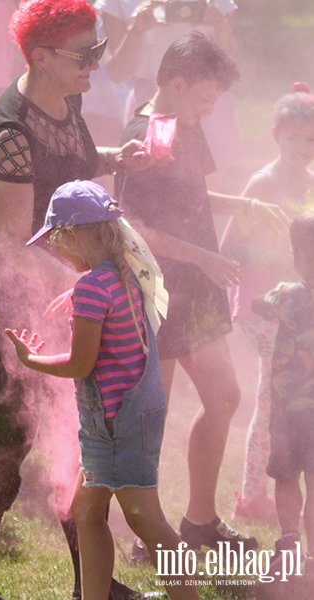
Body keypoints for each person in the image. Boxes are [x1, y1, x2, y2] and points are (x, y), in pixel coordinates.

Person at [0, 1, 155, 599]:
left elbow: (68, 169)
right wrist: (93, 285)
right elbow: (9, 244)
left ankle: (94, 583)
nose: (97, 65)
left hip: (62, 292)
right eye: (87, 55)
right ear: (41, 57)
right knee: (5, 447)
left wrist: (114, 158)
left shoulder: (68, 100)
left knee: (77, 438)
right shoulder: (8, 131)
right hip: (3, 311)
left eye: (99, 50)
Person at [114, 31, 289, 558]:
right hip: (156, 290)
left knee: (225, 397)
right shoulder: (143, 134)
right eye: (205, 99)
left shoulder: (184, 123)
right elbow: (135, 229)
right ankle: (151, 535)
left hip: (195, 289)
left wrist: (243, 203)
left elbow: (192, 195)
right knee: (153, 418)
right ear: (176, 81)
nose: (209, 111)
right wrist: (206, 258)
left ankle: (200, 522)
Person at [7, 180, 196, 600]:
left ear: (72, 235)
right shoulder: (124, 272)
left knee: (146, 520)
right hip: (129, 416)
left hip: (116, 424)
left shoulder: (93, 287)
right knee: (87, 511)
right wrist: (77, 290)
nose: (56, 252)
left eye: (57, 242)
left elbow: (80, 364)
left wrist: (30, 360)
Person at [221, 83, 314, 526]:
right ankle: (254, 495)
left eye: (312, 139)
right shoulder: (263, 182)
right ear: (277, 135)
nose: (304, 146)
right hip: (265, 308)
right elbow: (229, 246)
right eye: (296, 137)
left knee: (295, 395)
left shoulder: (313, 184)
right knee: (272, 398)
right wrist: (279, 260)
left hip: (302, 308)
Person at [94, 0, 242, 175]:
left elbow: (230, 68)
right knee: (151, 179)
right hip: (156, 104)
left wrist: (220, 25)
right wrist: (135, 30)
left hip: (206, 102)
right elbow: (117, 73)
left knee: (206, 185)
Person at [252, 210, 314, 575]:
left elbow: (258, 305)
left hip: (289, 412)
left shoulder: (288, 294)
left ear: (299, 255)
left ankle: (288, 545)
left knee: (288, 478)